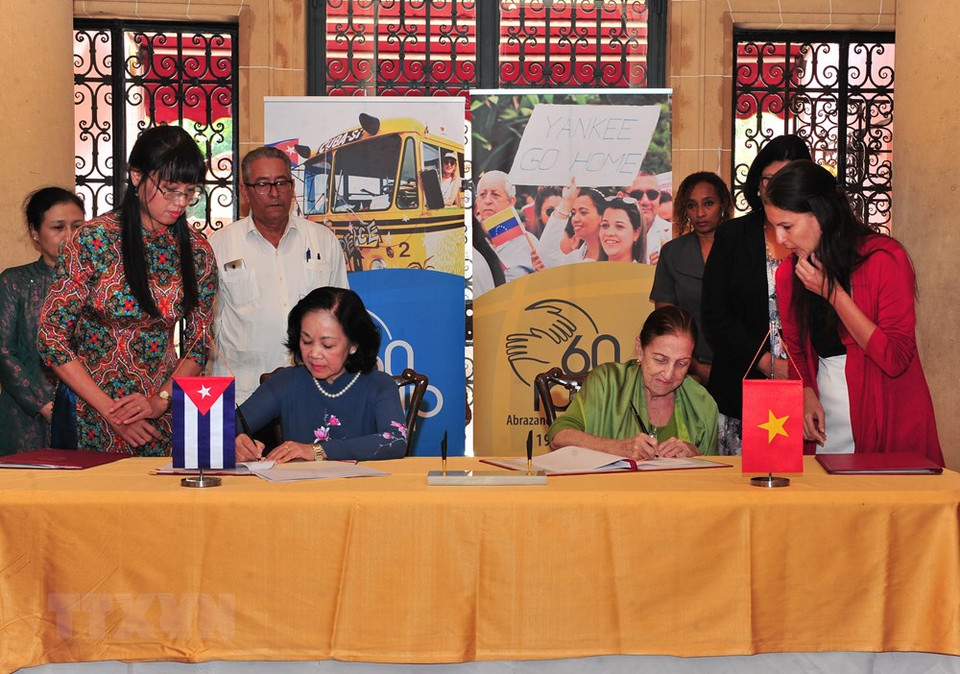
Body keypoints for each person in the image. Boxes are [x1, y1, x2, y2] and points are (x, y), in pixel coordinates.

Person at [37, 126, 218, 455]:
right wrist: (111, 411)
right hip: (90, 410)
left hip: (159, 415)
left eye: (189, 192)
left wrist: (159, 401)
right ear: (136, 176)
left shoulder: (198, 251)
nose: (180, 202)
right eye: (170, 189)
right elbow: (51, 338)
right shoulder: (93, 240)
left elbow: (199, 343)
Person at [767, 160, 943, 464]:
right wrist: (806, 391)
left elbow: (895, 359)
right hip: (827, 412)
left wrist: (834, 294)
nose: (780, 239)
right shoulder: (788, 274)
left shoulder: (885, 259)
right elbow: (795, 348)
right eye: (773, 227)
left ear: (820, 215)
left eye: (787, 226)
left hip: (887, 409)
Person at [209, 146, 349, 403]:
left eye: (281, 182)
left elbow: (343, 319)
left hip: (313, 390)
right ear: (244, 191)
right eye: (262, 184)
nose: (274, 193)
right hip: (244, 393)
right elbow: (208, 327)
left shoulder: (323, 241)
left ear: (292, 187)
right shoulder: (218, 245)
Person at [701, 134, 812, 455]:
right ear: (757, 183)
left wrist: (799, 371)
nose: (776, 187)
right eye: (769, 179)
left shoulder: (818, 235)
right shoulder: (732, 236)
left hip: (806, 385)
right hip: (742, 380)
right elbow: (715, 315)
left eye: (788, 179)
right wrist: (766, 362)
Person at [235, 287, 407, 462]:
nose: (314, 354)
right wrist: (235, 445)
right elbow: (222, 429)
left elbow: (396, 440)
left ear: (354, 344)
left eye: (328, 345)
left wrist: (317, 450)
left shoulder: (379, 384)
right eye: (306, 341)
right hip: (298, 488)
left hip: (359, 488)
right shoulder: (286, 382)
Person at [547, 306, 718, 459]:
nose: (668, 374)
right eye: (660, 360)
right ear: (639, 349)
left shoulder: (701, 403)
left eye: (682, 363)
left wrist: (696, 455)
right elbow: (559, 436)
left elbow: (714, 478)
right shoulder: (607, 383)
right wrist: (618, 448)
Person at [0, 188, 84, 454]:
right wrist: (43, 404)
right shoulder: (15, 282)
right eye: (58, 227)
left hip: (90, 414)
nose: (70, 236)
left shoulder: (101, 285)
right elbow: (3, 352)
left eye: (78, 226)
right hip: (26, 415)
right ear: (35, 233)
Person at [650, 172, 733, 386]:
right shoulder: (672, 253)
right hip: (686, 370)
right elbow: (665, 320)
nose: (700, 213)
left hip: (742, 367)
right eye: (691, 206)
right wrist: (694, 366)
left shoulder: (742, 247)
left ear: (722, 204)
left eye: (708, 203)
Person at [474, 170, 541, 281]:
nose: (487, 200)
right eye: (482, 195)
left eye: (495, 195)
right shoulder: (468, 238)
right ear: (477, 200)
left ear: (510, 202)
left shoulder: (529, 244)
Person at [538, 178, 605, 266]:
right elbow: (546, 254)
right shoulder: (575, 258)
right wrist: (567, 202)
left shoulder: (616, 255)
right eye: (573, 213)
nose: (575, 219)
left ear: (603, 217)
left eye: (583, 212)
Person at [628, 170, 672, 264]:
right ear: (622, 196)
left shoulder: (673, 236)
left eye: (652, 194)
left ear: (659, 197)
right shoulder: (608, 236)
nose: (645, 201)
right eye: (637, 194)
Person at [598, 197, 643, 262]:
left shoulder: (648, 271)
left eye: (619, 226)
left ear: (636, 233)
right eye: (605, 225)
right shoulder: (588, 270)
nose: (609, 233)